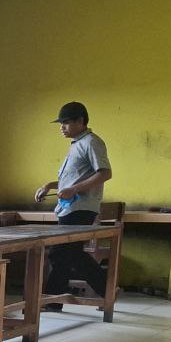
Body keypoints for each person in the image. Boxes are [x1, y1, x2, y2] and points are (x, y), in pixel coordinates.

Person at [33, 101, 112, 310]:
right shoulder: (77, 144)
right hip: (70, 206)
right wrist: (49, 185)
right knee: (70, 253)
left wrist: (75, 190)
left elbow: (105, 173)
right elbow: (72, 180)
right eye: (61, 124)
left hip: (81, 207)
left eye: (66, 123)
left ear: (80, 121)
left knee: (60, 252)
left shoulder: (92, 142)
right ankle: (106, 291)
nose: (62, 127)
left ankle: (52, 299)